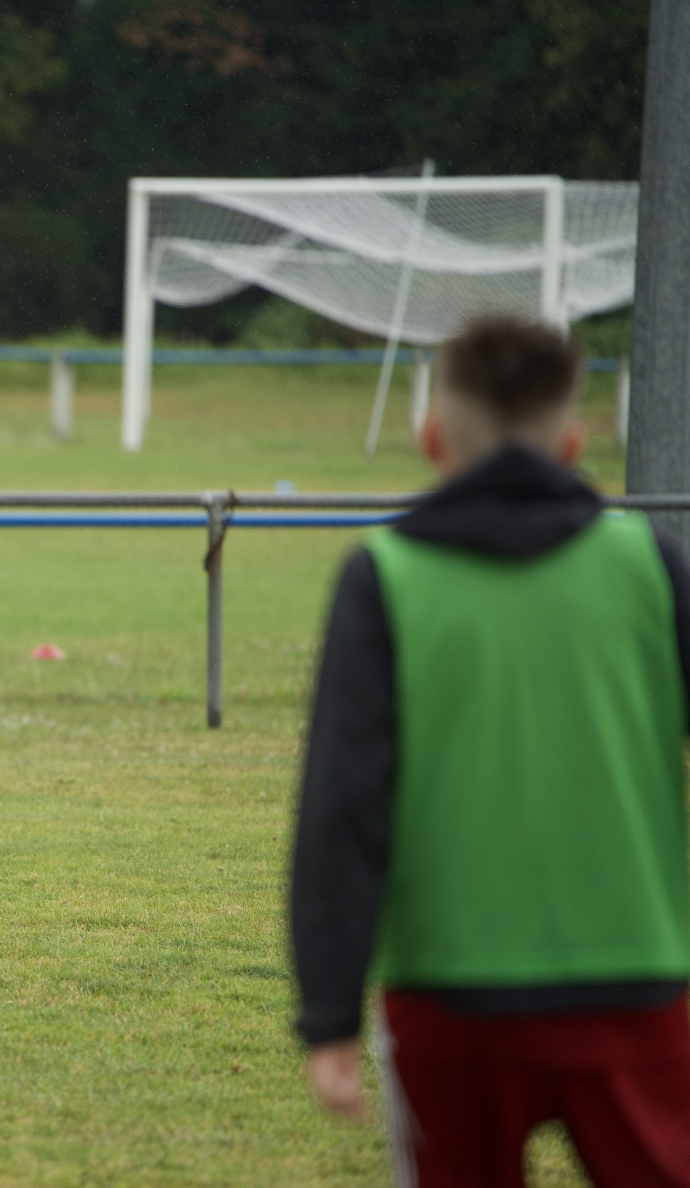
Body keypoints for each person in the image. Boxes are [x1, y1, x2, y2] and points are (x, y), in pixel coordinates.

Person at [290, 315, 690, 1186]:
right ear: (574, 444)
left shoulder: (382, 577)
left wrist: (328, 1013)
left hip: (449, 990)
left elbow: (342, 804)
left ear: (432, 437)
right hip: (638, 978)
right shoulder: (653, 566)